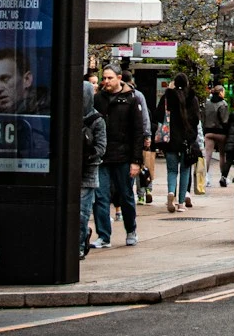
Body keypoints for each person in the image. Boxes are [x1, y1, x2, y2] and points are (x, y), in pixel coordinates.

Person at [96, 67, 149, 247]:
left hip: (123, 156)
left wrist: (136, 160)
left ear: (119, 78)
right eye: (104, 78)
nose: (106, 81)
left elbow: (137, 132)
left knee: (125, 195)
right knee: (101, 196)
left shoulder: (131, 100)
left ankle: (131, 229)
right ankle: (104, 236)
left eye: (110, 78)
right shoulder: (99, 99)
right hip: (103, 156)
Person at [157, 75, 201, 212]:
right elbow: (196, 120)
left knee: (171, 170)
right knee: (185, 170)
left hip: (170, 139)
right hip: (186, 140)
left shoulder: (166, 98)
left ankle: (171, 192)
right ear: (187, 83)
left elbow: (158, 116)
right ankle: (181, 203)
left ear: (174, 83)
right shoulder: (192, 99)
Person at [77, 82, 108, 258]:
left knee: (82, 212)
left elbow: (101, 147)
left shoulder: (97, 120)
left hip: (88, 172)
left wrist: (87, 156)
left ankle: (80, 244)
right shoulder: (70, 115)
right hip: (72, 171)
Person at [201, 88, 233, 188]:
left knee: (207, 155)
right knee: (222, 156)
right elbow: (225, 120)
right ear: (220, 93)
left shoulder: (207, 103)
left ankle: (205, 178)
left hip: (209, 132)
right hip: (221, 133)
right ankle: (223, 177)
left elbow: (203, 118)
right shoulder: (223, 104)